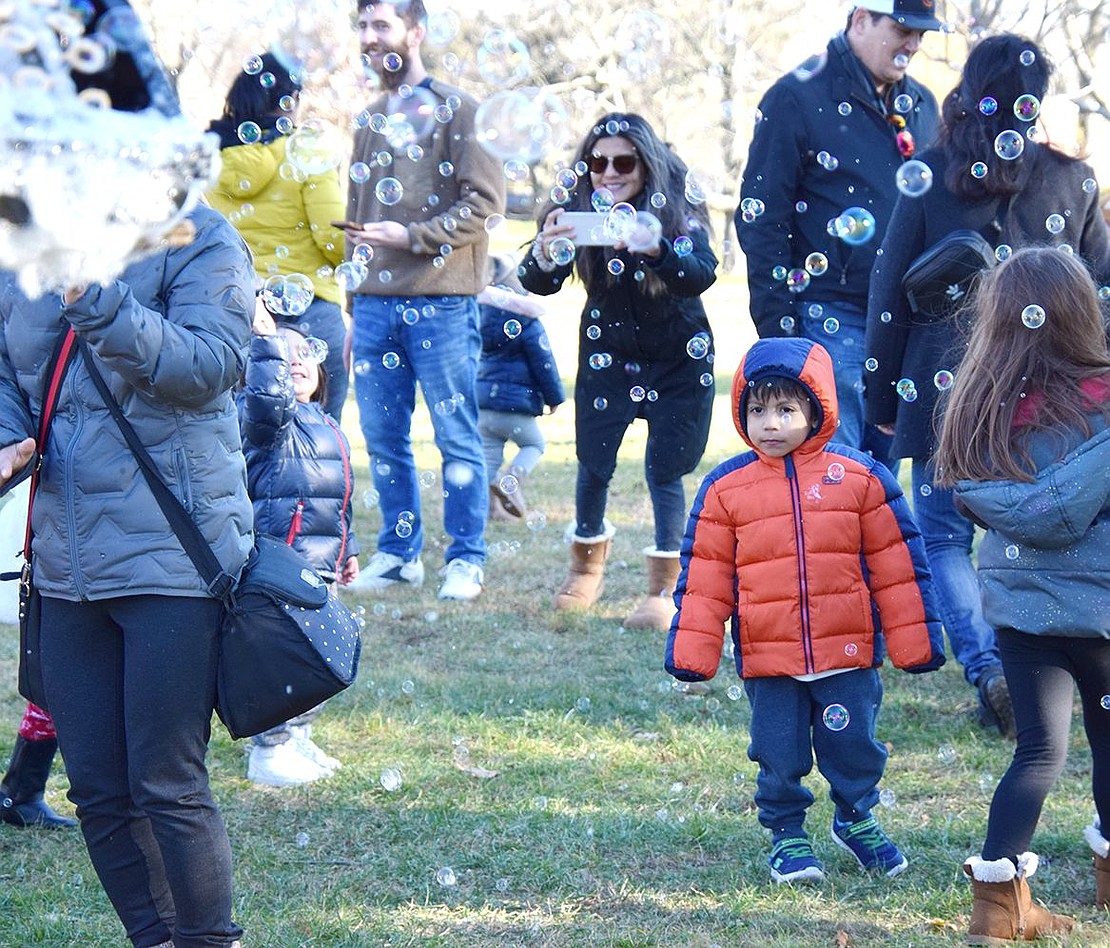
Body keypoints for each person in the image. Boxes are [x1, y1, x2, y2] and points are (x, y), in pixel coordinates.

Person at [0, 200, 254, 947]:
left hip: (172, 556)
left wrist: (97, 297)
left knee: (166, 783)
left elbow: (210, 368)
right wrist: (9, 438)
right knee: (101, 791)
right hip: (63, 563)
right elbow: (6, 374)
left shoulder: (199, 236)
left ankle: (210, 941)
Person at [865, 34, 1110, 740]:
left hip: (950, 390)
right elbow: (1101, 288)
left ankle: (990, 667)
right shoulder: (1072, 178)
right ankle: (1041, 660)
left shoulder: (932, 171)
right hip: (1056, 396)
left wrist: (882, 404)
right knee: (1037, 525)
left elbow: (888, 295)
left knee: (943, 536)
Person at [665, 336, 945, 884]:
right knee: (777, 750)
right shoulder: (725, 488)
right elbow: (703, 578)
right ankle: (787, 832)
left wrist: (916, 642)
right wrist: (693, 650)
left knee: (855, 742)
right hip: (770, 656)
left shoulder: (862, 479)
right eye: (757, 409)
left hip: (848, 649)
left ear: (818, 408)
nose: (770, 422)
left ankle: (856, 816)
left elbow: (897, 565)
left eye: (786, 408)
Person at [934, 248, 1109, 940]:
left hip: (1020, 618)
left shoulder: (976, 403)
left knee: (1037, 754)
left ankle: (996, 910)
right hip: (1102, 614)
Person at [519, 113, 716, 632]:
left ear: (646, 165)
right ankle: (585, 570)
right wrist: (545, 250)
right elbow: (538, 283)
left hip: (678, 355)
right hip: (607, 349)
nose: (608, 171)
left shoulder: (675, 213)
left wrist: (657, 250)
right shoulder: (578, 211)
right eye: (597, 161)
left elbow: (702, 273)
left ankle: (663, 588)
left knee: (666, 469)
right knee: (594, 461)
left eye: (622, 161)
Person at [341, 0, 505, 602]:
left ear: (415, 33)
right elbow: (360, 218)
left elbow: (485, 204)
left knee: (455, 435)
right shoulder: (368, 119)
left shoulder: (459, 109)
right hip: (377, 305)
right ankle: (399, 552)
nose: (368, 36)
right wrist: (354, 306)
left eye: (380, 24)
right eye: (362, 25)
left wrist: (414, 238)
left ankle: (466, 559)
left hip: (441, 302)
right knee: (383, 438)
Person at [736, 0, 942, 470]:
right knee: (834, 477)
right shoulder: (795, 97)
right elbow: (762, 217)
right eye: (903, 28)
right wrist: (778, 331)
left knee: (881, 483)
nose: (913, 43)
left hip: (903, 321)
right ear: (861, 20)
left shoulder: (924, 106)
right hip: (827, 313)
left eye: (923, 33)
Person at [238, 318, 360, 787]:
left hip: (319, 565)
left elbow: (339, 498)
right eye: (279, 355)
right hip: (282, 563)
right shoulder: (268, 423)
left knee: (320, 657)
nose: (294, 360)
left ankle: (298, 736)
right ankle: (268, 751)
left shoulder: (327, 422)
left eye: (302, 352)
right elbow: (268, 401)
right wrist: (264, 341)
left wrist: (348, 548)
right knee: (284, 659)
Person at [207, 51, 351, 423]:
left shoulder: (209, 161)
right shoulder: (305, 150)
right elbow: (334, 238)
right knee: (321, 436)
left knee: (248, 434)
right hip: (311, 312)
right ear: (289, 102)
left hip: (242, 312)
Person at [477, 254, 565, 522]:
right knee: (534, 444)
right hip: (514, 406)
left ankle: (488, 511)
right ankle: (510, 480)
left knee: (488, 458)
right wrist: (555, 397)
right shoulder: (528, 322)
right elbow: (544, 363)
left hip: (483, 404)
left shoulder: (478, 317)